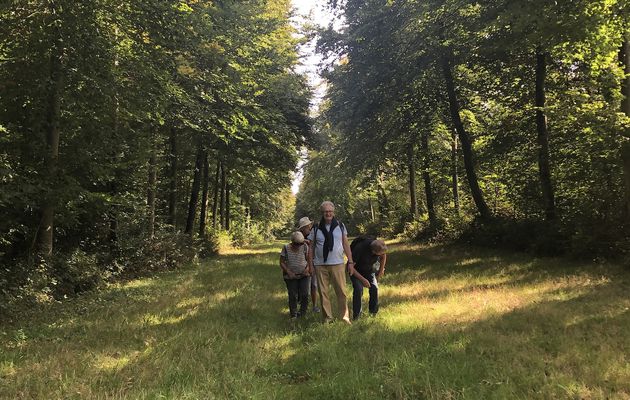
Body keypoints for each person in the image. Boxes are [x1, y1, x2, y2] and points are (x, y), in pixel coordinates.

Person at [308, 201, 355, 324]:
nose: (328, 213)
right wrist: (310, 265)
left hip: (338, 263)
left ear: (333, 212)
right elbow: (311, 247)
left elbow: (346, 244)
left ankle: (345, 317)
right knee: (323, 293)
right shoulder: (316, 227)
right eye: (325, 212)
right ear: (322, 213)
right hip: (320, 265)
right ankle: (327, 318)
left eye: (330, 211)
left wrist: (350, 262)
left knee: (341, 292)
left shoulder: (340, 225)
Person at [349, 237, 387, 319]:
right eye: (379, 254)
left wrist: (380, 270)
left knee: (374, 288)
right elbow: (350, 268)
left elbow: (383, 256)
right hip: (356, 271)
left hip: (369, 271)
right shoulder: (360, 249)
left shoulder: (379, 247)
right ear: (373, 252)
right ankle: (357, 316)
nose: (380, 255)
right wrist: (363, 280)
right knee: (358, 289)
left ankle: (373, 313)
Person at [279, 231, 312, 319]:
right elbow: (281, 262)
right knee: (293, 295)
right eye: (296, 244)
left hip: (304, 274)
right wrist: (288, 271)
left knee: (305, 294)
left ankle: (302, 313)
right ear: (292, 242)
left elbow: (309, 260)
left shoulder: (305, 247)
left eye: (300, 244)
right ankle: (293, 314)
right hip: (291, 276)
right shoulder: (286, 248)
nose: (298, 246)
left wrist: (307, 269)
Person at [298, 216, 320, 313]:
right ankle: (302, 305)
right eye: (304, 227)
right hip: (302, 264)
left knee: (314, 285)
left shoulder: (314, 233)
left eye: (307, 227)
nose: (307, 228)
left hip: (314, 261)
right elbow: (294, 240)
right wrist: (303, 241)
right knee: (303, 286)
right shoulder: (300, 236)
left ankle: (314, 306)